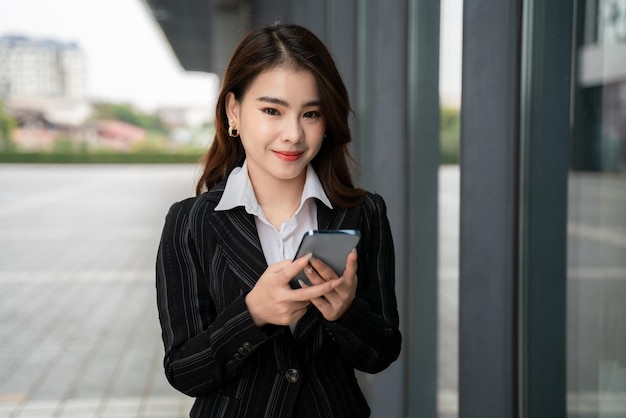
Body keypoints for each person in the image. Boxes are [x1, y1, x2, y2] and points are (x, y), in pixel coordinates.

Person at [156, 22, 402, 418]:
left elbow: (382, 351)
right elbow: (184, 371)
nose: (293, 134)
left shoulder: (363, 212)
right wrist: (252, 313)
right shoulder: (189, 222)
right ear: (233, 111)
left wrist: (345, 313)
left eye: (311, 114)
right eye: (272, 110)